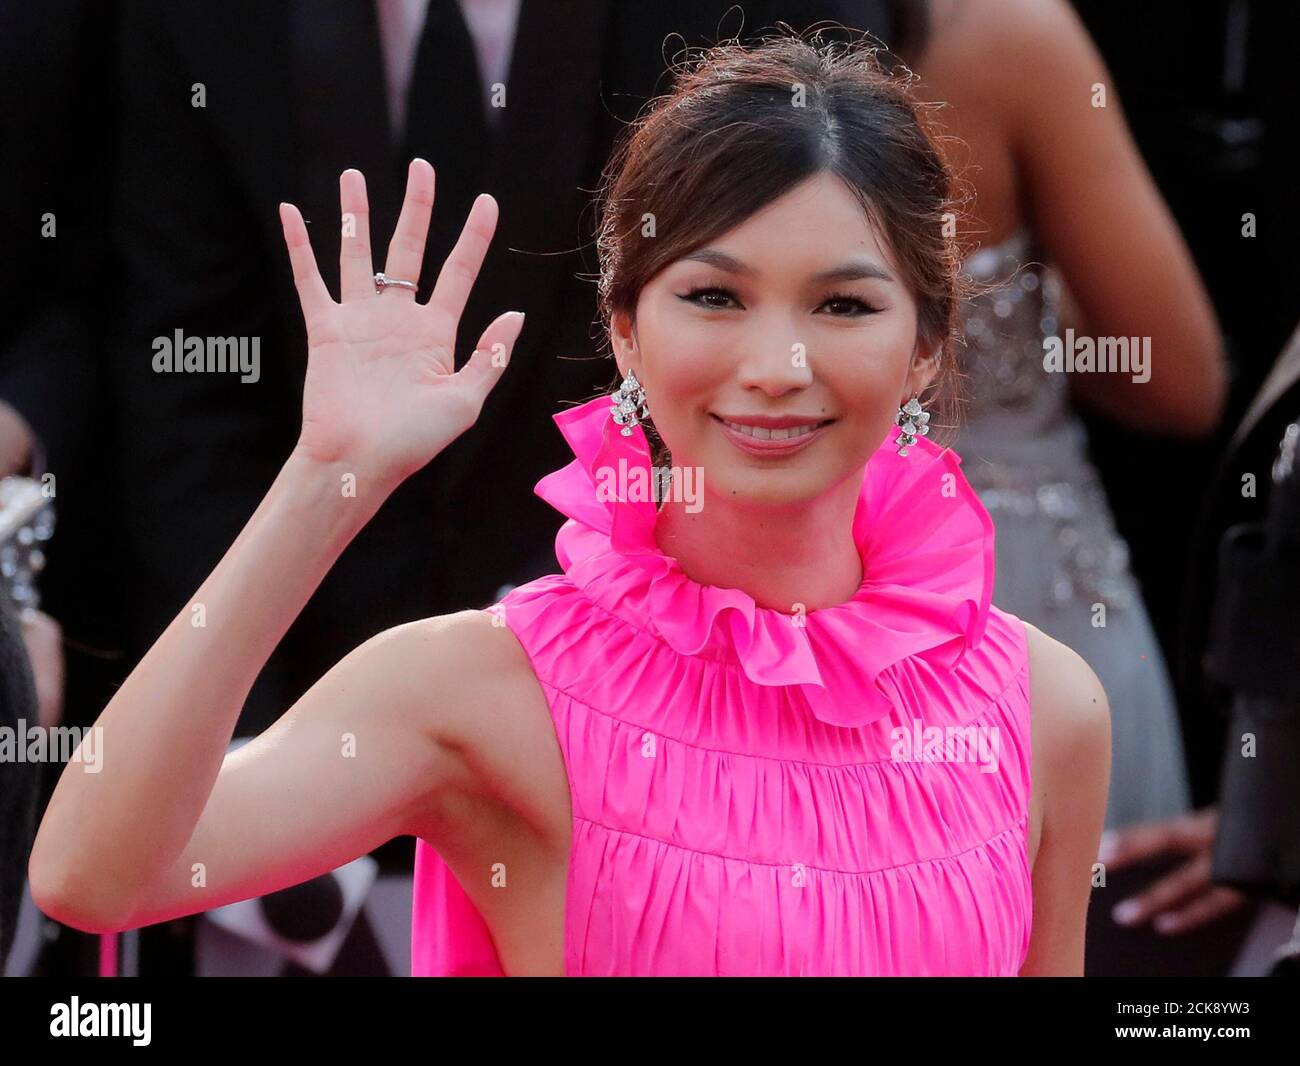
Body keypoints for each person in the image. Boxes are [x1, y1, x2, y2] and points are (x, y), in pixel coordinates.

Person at [28, 33, 1110, 976]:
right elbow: (96, 874)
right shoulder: (483, 687)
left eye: (841, 304)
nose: (777, 363)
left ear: (923, 346)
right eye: (713, 296)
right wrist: (327, 478)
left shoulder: (1043, 708)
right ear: (628, 330)